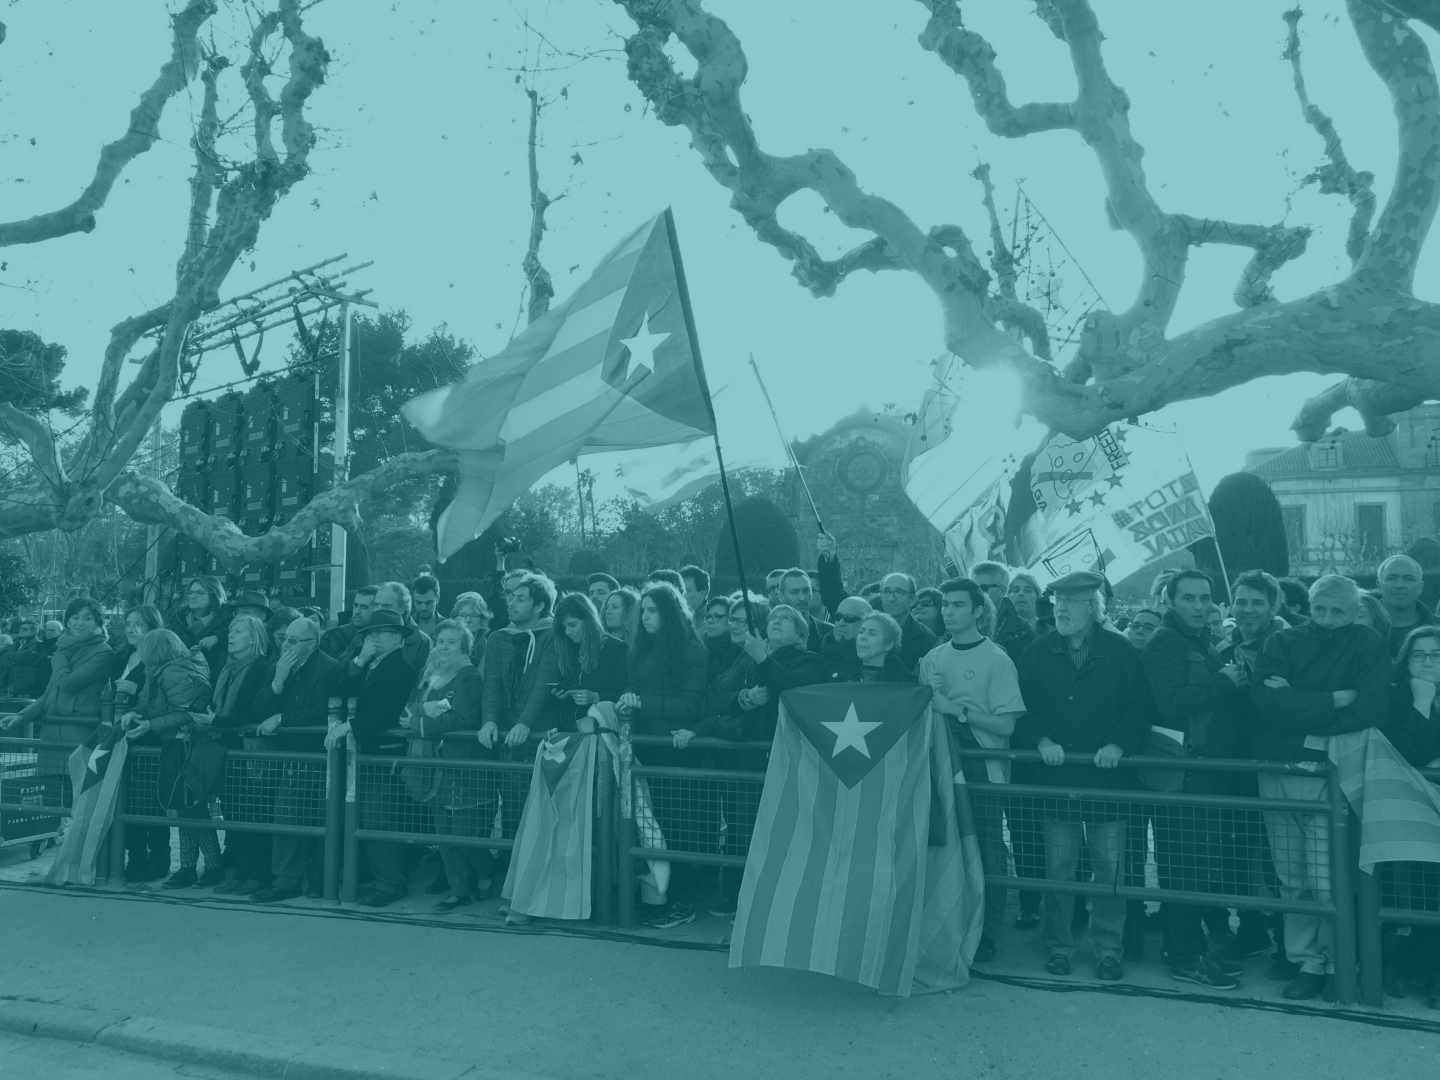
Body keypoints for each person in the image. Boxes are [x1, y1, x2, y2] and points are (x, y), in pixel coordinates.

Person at [1252, 574, 1389, 1000]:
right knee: (1290, 874)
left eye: (1338, 611)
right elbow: (1266, 705)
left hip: (1332, 773)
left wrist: (1298, 702)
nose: (1328, 619)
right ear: (1309, 606)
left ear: (1354, 611)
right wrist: (1333, 700)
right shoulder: (1282, 642)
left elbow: (1371, 707)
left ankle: (1339, 958)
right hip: (1278, 769)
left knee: (1328, 876)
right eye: (1320, 609)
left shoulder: (1367, 643)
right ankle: (1306, 961)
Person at [1016, 570, 1151, 982]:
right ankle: (1059, 946)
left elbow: (1140, 708)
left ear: (1093, 608)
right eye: (1057, 602)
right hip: (1057, 781)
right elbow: (1021, 706)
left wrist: (1117, 745)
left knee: (1110, 871)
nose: (1060, 608)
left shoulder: (1121, 651)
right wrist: (1039, 740)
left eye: (1071, 603)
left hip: (1108, 781)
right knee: (1059, 868)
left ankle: (1109, 949)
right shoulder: (1038, 652)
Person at [1139, 570, 1246, 989]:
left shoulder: (1200, 641)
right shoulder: (1165, 644)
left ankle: (1186, 946)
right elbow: (1168, 703)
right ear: (1171, 602)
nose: (1200, 606)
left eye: (1205, 598)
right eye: (1189, 598)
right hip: (1182, 773)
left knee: (1200, 867)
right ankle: (1184, 956)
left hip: (1205, 772)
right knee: (1184, 866)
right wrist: (1224, 681)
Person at [920, 578, 1026, 964]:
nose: (949, 611)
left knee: (986, 852)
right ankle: (950, 926)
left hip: (983, 771)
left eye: (958, 605)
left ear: (978, 611)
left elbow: (1007, 726)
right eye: (945, 604)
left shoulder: (997, 660)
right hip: (942, 767)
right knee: (946, 851)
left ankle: (988, 933)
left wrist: (956, 710)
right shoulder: (932, 660)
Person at [620, 582, 707, 929]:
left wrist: (644, 703)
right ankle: (658, 897)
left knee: (678, 827)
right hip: (646, 748)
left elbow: (693, 703)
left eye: (653, 610)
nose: (645, 617)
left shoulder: (691, 649)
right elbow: (634, 685)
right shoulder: (642, 648)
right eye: (643, 610)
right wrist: (629, 697)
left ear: (670, 612)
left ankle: (683, 899)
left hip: (676, 752)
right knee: (652, 829)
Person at [1217, 569, 1292, 969]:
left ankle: (1284, 941)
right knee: (1240, 852)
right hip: (1234, 763)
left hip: (1272, 761)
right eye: (1241, 601)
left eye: (1256, 602)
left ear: (1273, 606)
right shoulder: (1226, 644)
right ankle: (1249, 929)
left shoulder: (1288, 644)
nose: (1247, 609)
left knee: (1278, 857)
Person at [251, 617, 344, 903]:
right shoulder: (279, 666)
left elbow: (322, 711)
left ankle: (318, 881)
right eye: (284, 639)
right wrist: (278, 680)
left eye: (293, 641)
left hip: (319, 755)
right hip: (288, 756)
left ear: (312, 642)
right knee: (287, 817)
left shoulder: (330, 668)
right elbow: (257, 708)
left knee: (320, 820)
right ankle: (285, 881)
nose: (286, 645)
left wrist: (283, 718)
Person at [334, 609, 422, 907]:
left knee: (379, 817)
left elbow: (383, 712)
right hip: (367, 752)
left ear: (397, 637)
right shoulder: (374, 664)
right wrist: (358, 660)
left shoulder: (400, 667)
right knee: (367, 816)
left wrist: (350, 726)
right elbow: (342, 689)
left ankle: (390, 883)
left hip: (384, 754)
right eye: (370, 634)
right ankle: (377, 878)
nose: (373, 639)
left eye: (380, 633)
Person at [403, 619, 488, 912]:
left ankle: (477, 882)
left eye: (451, 642)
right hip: (432, 766)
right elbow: (411, 707)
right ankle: (460, 887)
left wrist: (419, 721)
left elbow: (462, 719)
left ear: (464, 647)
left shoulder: (469, 677)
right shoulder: (432, 677)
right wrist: (421, 716)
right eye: (440, 641)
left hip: (459, 765)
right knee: (443, 831)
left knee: (462, 833)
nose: (443, 647)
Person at [121, 629, 215, 889]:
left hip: (186, 746)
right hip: (174, 744)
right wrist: (136, 714)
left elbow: (186, 713)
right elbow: (149, 703)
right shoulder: (164, 670)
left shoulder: (175, 672)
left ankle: (211, 865)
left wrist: (149, 724)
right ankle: (191, 866)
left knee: (191, 809)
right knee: (185, 809)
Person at [479, 572, 558, 857]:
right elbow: (492, 683)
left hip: (540, 734)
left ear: (539, 605)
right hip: (507, 736)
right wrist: (489, 719)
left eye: (520, 598)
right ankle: (510, 879)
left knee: (544, 811)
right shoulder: (498, 638)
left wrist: (526, 722)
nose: (511, 603)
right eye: (510, 597)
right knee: (512, 808)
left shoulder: (553, 634)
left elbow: (545, 681)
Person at [2, 600, 114, 799]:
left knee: (79, 798)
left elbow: (68, 684)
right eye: (75, 617)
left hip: (80, 733)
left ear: (98, 622)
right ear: (68, 621)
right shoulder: (62, 648)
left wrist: (59, 659)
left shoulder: (103, 652)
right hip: (51, 733)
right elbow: (49, 693)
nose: (80, 622)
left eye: (88, 618)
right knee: (53, 801)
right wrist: (22, 717)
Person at [1382, 625, 1440, 1005]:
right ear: (1406, 661)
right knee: (1412, 895)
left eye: (1436, 654)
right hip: (1410, 814)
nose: (1428, 662)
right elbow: (1405, 753)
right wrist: (1422, 701)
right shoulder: (1395, 700)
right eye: (1419, 655)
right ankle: (1404, 968)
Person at [203, 615, 277, 896]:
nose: (231, 635)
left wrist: (216, 721)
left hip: (250, 750)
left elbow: (253, 710)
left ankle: (258, 874)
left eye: (239, 631)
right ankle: (240, 871)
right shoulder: (226, 667)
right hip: (226, 747)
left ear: (254, 637)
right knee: (233, 811)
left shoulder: (261, 667)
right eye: (231, 630)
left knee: (255, 811)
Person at [112, 605, 170, 883]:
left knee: (150, 802)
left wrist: (135, 694)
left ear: (153, 628)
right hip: (122, 738)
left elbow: (164, 699)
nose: (132, 629)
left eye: (140, 624)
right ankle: (134, 858)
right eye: (129, 623)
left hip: (150, 738)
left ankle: (158, 858)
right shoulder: (121, 656)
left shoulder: (159, 658)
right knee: (128, 802)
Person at [734, 604, 829, 742]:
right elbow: (721, 691)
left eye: (786, 618)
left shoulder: (810, 660)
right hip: (748, 744)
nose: (777, 621)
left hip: (785, 744)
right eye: (773, 618)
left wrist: (762, 659)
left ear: (800, 636)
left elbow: (791, 684)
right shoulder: (751, 656)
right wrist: (746, 697)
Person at [876, 572, 938, 673]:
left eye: (899, 592)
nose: (891, 598)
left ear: (912, 599)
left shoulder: (926, 639)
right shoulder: (867, 631)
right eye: (886, 592)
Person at [1375, 555, 1432, 656]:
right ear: (1379, 586)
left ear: (1420, 587)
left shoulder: (1437, 628)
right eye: (1391, 578)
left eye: (1408, 579)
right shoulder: (1361, 627)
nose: (1399, 585)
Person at [175, 576, 230, 678]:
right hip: (181, 678)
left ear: (214, 595)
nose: (193, 596)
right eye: (190, 592)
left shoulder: (227, 620)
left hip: (213, 677)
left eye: (200, 593)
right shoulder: (177, 620)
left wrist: (218, 638)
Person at [779, 569, 834, 650]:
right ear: (781, 596)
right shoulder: (771, 632)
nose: (802, 598)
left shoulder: (829, 632)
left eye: (806, 591)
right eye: (794, 592)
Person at [823, 596, 875, 678]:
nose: (841, 623)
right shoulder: (821, 651)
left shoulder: (878, 658)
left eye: (849, 618)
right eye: (838, 617)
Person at [320, 586, 376, 658]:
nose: (357, 611)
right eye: (355, 605)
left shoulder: (381, 637)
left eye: (364, 607)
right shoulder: (334, 635)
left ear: (376, 610)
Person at [699, 596, 740, 684]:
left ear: (731, 620)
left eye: (717, 616)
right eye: (708, 616)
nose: (710, 621)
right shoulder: (699, 649)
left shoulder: (740, 651)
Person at [450, 592, 493, 667]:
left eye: (473, 615)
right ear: (456, 618)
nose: (468, 620)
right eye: (463, 615)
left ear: (482, 618)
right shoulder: (445, 643)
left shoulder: (488, 648)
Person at [410, 573, 443, 640]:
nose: (423, 608)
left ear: (437, 599)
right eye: (419, 602)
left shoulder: (447, 626)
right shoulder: (406, 626)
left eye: (428, 602)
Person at [679, 565, 711, 632]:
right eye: (680, 591)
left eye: (687, 591)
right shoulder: (677, 618)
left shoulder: (711, 623)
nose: (681, 596)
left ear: (703, 593)